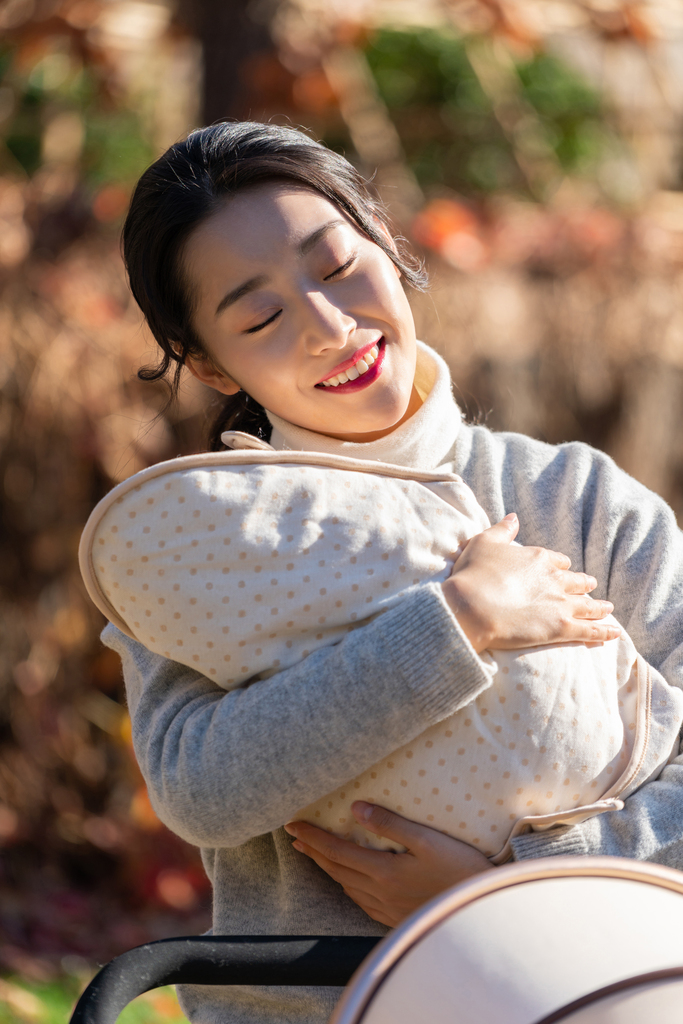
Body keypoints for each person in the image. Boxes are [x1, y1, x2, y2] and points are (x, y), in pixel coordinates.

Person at [103, 121, 683, 1024]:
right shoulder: (195, 540)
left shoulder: (581, 498)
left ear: (385, 238)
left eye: (337, 267)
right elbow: (201, 794)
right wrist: (453, 626)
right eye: (260, 317)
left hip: (591, 993)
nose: (330, 328)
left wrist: (499, 891)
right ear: (216, 365)